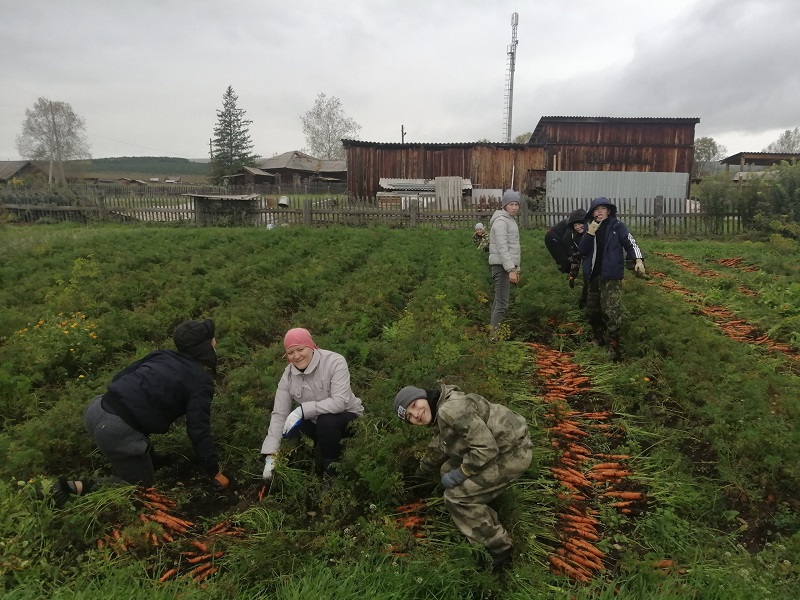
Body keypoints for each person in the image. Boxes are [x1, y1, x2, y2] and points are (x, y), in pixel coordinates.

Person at [52, 319, 231, 506]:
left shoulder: (161, 355)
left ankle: (148, 459)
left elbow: (120, 377)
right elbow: (198, 429)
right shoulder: (200, 382)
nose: (215, 341)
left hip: (97, 408)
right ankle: (71, 487)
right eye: (212, 339)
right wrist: (213, 471)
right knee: (139, 489)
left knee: (137, 418)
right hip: (116, 431)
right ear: (205, 347)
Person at [393, 384, 532, 572]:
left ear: (423, 397)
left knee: (455, 497)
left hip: (513, 452)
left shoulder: (450, 410)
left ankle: (499, 549)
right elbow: (440, 445)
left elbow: (486, 449)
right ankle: (480, 511)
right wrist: (421, 471)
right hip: (503, 446)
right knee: (445, 469)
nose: (416, 414)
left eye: (415, 405)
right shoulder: (439, 410)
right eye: (409, 415)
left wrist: (462, 473)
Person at [261, 328, 364, 480]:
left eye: (300, 349)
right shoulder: (288, 376)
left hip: (348, 420)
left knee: (326, 421)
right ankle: (299, 473)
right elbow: (279, 414)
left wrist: (302, 410)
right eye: (290, 353)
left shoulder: (335, 361)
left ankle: (331, 476)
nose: (296, 356)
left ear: (311, 346)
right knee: (290, 432)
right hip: (316, 423)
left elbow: (339, 403)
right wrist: (271, 453)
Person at [578, 197, 645, 358]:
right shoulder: (590, 228)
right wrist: (589, 233)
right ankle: (598, 338)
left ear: (608, 211)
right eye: (596, 209)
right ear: (593, 213)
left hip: (611, 276)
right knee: (593, 310)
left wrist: (638, 260)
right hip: (593, 276)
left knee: (611, 312)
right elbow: (582, 251)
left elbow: (631, 243)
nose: (599, 211)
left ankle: (613, 346)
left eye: (602, 208)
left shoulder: (617, 227)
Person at [488, 190, 522, 329]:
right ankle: (493, 339)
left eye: (516, 204)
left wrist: (516, 269)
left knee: (498, 302)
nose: (514, 207)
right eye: (511, 204)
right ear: (504, 205)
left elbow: (513, 247)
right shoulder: (501, 222)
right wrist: (511, 269)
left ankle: (491, 334)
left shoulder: (509, 220)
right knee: (502, 304)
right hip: (501, 266)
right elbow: (502, 247)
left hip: (506, 266)